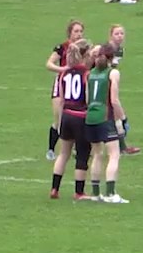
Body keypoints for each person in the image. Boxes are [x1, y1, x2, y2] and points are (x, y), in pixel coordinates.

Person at [50, 40, 94, 200]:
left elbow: (61, 99)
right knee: (82, 154)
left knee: (63, 153)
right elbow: (88, 99)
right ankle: (79, 192)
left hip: (67, 116)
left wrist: (61, 121)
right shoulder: (86, 74)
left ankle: (55, 188)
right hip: (80, 116)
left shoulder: (63, 73)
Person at [85, 43, 129, 203]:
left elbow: (88, 99)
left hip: (90, 117)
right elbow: (114, 100)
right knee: (114, 154)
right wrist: (122, 119)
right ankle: (110, 193)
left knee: (97, 154)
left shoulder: (90, 74)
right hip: (105, 117)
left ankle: (96, 193)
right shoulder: (113, 73)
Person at [46, 21, 86, 161]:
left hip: (78, 85)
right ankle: (51, 149)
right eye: (76, 31)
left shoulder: (84, 48)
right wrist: (63, 69)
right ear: (70, 32)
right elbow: (49, 64)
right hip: (63, 84)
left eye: (81, 31)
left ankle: (76, 148)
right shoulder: (62, 47)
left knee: (78, 116)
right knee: (59, 118)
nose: (79, 34)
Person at [107, 25, 140, 155]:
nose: (120, 36)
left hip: (109, 82)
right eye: (116, 33)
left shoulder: (120, 50)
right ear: (111, 36)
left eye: (121, 33)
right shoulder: (107, 49)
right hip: (99, 82)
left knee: (114, 115)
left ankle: (122, 147)